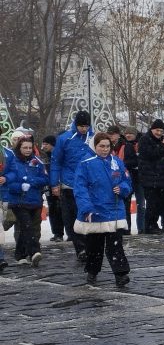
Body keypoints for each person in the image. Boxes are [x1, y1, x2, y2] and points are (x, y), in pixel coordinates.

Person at [73, 132, 132, 287]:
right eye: (101, 146)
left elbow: (126, 180)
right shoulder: (85, 163)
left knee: (115, 245)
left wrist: (123, 188)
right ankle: (92, 272)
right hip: (96, 210)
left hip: (114, 210)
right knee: (95, 247)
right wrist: (86, 208)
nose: (105, 149)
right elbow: (80, 188)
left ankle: (121, 274)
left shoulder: (117, 161)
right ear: (95, 146)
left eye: (107, 146)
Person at [49, 110, 95, 261]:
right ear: (76, 124)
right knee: (71, 218)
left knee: (87, 215)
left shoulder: (93, 138)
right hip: (69, 184)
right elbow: (56, 162)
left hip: (89, 183)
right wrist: (54, 184)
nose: (84, 129)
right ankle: (80, 247)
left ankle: (89, 246)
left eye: (86, 126)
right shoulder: (64, 139)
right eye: (81, 126)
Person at [1, 137, 48, 267]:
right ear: (19, 148)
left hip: (34, 200)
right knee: (27, 226)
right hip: (18, 200)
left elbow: (45, 179)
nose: (27, 150)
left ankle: (20, 254)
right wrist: (20, 186)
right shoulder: (13, 161)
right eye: (24, 148)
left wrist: (31, 182)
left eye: (29, 147)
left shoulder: (37, 161)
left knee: (25, 228)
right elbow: (10, 181)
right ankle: (34, 252)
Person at [137, 119, 164, 233]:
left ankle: (154, 225)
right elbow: (151, 154)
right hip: (149, 177)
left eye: (161, 131)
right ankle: (149, 226)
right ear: (152, 129)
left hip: (159, 178)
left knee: (158, 204)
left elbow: (162, 157)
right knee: (152, 204)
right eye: (157, 130)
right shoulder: (145, 139)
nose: (159, 133)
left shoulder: (159, 141)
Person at [38, 135, 67, 242]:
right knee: (54, 210)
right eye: (43, 144)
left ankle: (68, 233)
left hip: (59, 186)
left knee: (63, 210)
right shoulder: (44, 156)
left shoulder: (58, 156)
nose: (44, 146)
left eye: (46, 144)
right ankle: (57, 233)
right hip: (49, 187)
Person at [121, 127, 144, 234]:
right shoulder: (122, 145)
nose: (128, 135)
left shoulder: (141, 143)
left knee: (141, 204)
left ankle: (141, 227)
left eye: (130, 133)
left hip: (139, 178)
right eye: (126, 133)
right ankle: (127, 228)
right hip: (127, 178)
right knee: (126, 205)